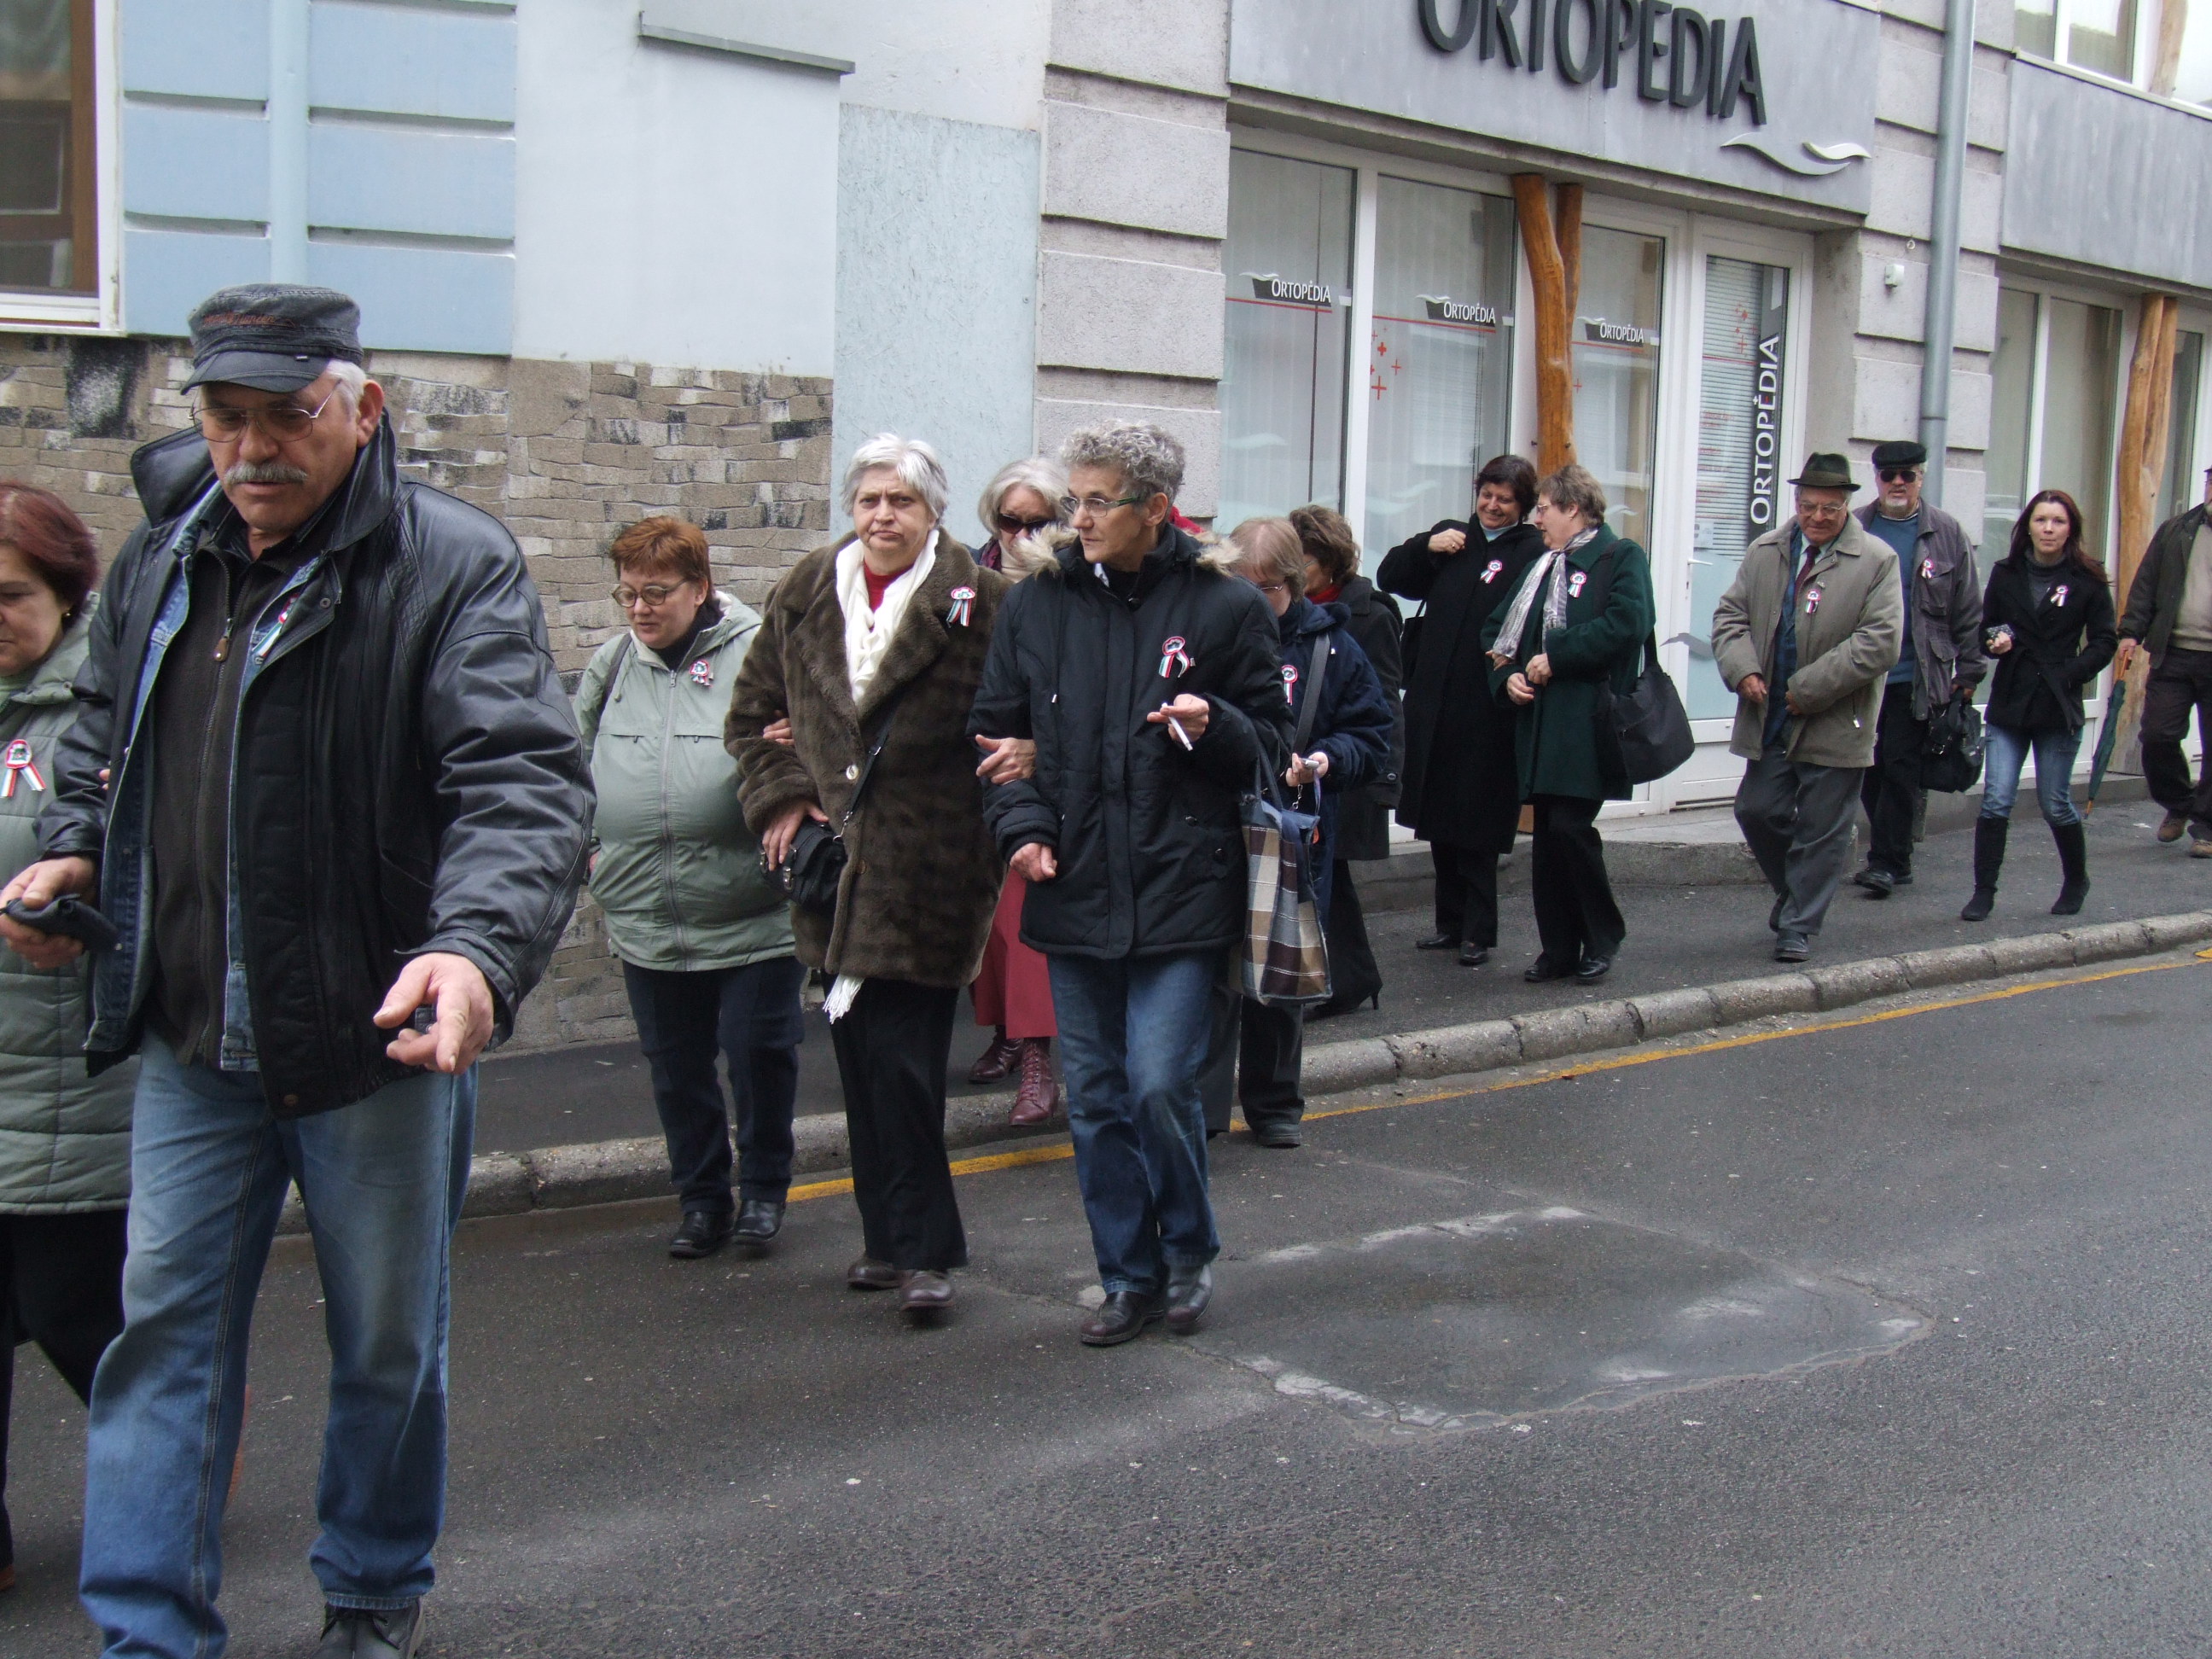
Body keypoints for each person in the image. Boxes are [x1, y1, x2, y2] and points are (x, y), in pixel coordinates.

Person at [0, 285, 591, 1659]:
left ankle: (372, 1591)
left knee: (386, 1346)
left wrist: (473, 947)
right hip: (190, 1038)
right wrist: (77, 847)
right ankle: (149, 1633)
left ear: (363, 408)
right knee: (162, 1343)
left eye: (286, 415)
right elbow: (100, 731)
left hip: (371, 1042)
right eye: (225, 416)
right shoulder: (163, 556)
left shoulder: (454, 564)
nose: (252, 448)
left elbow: (520, 780)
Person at [968, 422, 1289, 1347]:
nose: (1078, 518)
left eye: (1098, 501)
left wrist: (1216, 723)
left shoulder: (1227, 607)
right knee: (1099, 1098)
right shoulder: (1036, 605)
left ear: (1156, 508)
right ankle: (1126, 1273)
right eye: (1073, 499)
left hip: (1183, 886)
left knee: (1156, 1084)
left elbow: (1270, 746)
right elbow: (997, 739)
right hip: (1073, 886)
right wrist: (1024, 830)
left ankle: (1186, 1251)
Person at [727, 435, 1007, 1320]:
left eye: (902, 501)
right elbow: (752, 717)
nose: (883, 516)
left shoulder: (985, 602)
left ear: (934, 512)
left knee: (907, 1069)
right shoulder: (806, 588)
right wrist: (782, 795)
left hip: (932, 870)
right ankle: (886, 1242)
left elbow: (1019, 722)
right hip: (834, 873)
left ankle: (926, 1253)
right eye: (869, 500)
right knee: (860, 1067)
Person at [576, 515, 801, 1261]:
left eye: (656, 592)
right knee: (677, 1072)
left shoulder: (761, 652)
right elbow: (570, 766)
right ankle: (702, 1200)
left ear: (699, 588)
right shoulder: (613, 665)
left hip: (752, 909)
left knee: (757, 1054)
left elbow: (816, 746)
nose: (639, 608)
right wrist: (590, 852)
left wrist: (792, 763)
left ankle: (763, 1190)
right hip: (646, 913)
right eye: (627, 593)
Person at [0, 486, 135, 1602]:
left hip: (64, 1080)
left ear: (66, 592)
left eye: (9, 594)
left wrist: (80, 902)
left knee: (71, 1311)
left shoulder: (107, 708)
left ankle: (175, 1460)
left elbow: (170, 860)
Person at [1208, 517, 1392, 1147]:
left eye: (1265, 589)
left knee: (1281, 970)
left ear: (1294, 582)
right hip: (1211, 825)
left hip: (1290, 830)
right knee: (1209, 973)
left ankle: (1275, 1103)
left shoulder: (1332, 648)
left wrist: (1324, 760)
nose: (1251, 601)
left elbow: (1372, 736)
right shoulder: (1209, 633)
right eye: (1239, 586)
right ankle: (1203, 1109)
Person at [1713, 452, 1901, 963]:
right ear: (1796, 502)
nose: (1818, 517)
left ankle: (1798, 925)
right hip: (1770, 712)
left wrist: (1809, 689)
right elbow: (1730, 618)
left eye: (1830, 509)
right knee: (1757, 810)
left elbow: (1881, 642)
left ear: (1847, 507)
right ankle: (1795, 893)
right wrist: (1743, 669)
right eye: (1809, 506)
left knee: (1823, 828)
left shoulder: (1877, 560)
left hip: (1837, 715)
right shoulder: (1766, 550)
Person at [1481, 463, 1652, 985]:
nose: (1536, 520)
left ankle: (1602, 937)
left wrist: (1557, 655)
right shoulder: (1543, 565)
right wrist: (1506, 677)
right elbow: (1497, 630)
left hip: (1587, 724)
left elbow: (1628, 623)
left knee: (1571, 830)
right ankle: (1557, 948)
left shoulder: (1620, 556)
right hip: (1540, 727)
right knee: (1549, 839)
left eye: (1543, 509)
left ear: (1573, 509)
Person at [1378, 455, 1543, 967]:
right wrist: (1424, 547)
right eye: (1486, 495)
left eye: (1505, 500)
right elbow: (1390, 576)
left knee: (1476, 823)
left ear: (1523, 506)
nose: (1492, 506)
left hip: (1487, 706)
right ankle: (1448, 924)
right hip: (1435, 701)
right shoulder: (1454, 538)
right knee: (1438, 815)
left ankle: (1478, 931)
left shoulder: (1531, 552)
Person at [965, 459, 1067, 1125]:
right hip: (969, 761)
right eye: (1011, 520)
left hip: (1038, 773)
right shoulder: (964, 579)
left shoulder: (1067, 587)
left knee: (1023, 919)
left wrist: (1041, 751)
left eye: (1039, 522)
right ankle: (1004, 1032)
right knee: (984, 922)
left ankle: (1036, 1057)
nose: (1022, 535)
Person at [1960, 489, 2116, 920]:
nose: (2049, 529)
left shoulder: (2087, 578)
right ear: (2027, 526)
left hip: (2057, 702)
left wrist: (2071, 672)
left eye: (2058, 521)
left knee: (2054, 802)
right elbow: (1986, 631)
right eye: (2041, 520)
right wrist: (1995, 641)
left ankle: (2076, 880)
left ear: (2070, 530)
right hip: (2011, 700)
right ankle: (1983, 892)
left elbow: (2105, 640)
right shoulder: (2006, 572)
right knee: (1996, 799)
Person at [1851, 439, 1986, 896]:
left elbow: (1967, 608)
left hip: (1919, 675)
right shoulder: (1856, 528)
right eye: (1888, 476)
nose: (1898, 484)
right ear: (1876, 479)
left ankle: (1886, 861)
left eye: (1907, 476)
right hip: (1861, 674)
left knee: (1900, 766)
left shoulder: (1945, 532)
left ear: (1920, 478)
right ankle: (1898, 854)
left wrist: (1969, 674)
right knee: (1868, 766)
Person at [1288, 504, 1401, 1017]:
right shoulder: (1289, 615)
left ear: (1331, 563)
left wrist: (1384, 779)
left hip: (1347, 770)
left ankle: (1340, 983)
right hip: (1314, 768)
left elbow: (1383, 703)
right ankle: (1351, 980)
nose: (1294, 573)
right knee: (1329, 880)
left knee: (1329, 879)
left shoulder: (1368, 615)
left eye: (1304, 562)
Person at [2116, 462, 2212, 856]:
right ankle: (2179, 801)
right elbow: (2147, 584)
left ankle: (2207, 827)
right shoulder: (2177, 531)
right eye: (2211, 480)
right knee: (2157, 735)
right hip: (2173, 653)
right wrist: (2130, 632)